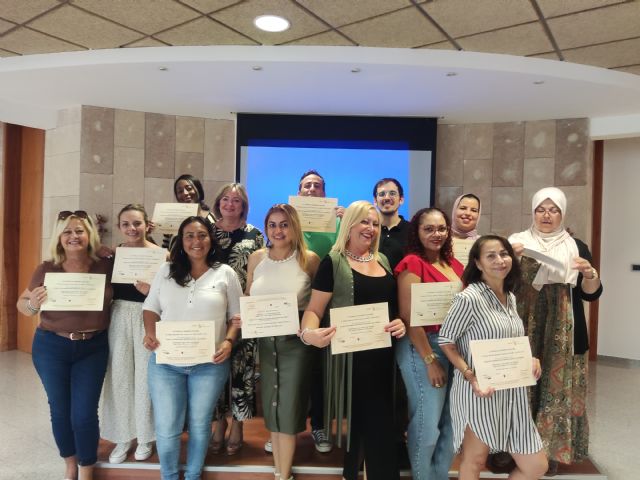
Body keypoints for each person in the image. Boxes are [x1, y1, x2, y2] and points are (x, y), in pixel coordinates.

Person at [299, 200, 406, 480]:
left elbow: (390, 307)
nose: (370, 228)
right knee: (376, 428)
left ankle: (351, 474)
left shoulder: (382, 260)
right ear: (349, 225)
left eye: (374, 223)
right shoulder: (333, 263)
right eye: (364, 222)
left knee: (365, 427)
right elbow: (313, 311)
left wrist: (400, 322)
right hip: (352, 362)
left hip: (384, 359)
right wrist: (309, 334)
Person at [509, 187, 602, 474]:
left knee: (555, 387)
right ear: (533, 211)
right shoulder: (516, 242)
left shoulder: (576, 246)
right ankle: (510, 448)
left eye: (553, 210)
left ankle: (548, 452)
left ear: (562, 213)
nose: (546, 215)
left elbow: (591, 294)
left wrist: (589, 274)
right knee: (516, 384)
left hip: (564, 330)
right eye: (541, 209)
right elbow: (499, 282)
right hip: (522, 324)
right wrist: (509, 259)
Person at [439, 235, 548, 480]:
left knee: (536, 465)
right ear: (477, 263)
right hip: (478, 391)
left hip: (512, 392)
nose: (500, 260)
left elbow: (509, 339)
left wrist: (529, 359)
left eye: (504, 253)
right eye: (491, 256)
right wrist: (470, 375)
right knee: (474, 461)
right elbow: (446, 340)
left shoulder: (509, 297)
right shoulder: (469, 298)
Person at [142, 216, 242, 480]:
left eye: (202, 235)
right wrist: (150, 333)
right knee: (167, 427)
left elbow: (237, 316)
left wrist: (229, 341)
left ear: (211, 239)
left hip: (209, 363)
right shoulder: (166, 271)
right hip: (165, 362)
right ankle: (170, 476)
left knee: (200, 424)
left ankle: (194, 474)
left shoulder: (226, 273)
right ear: (181, 240)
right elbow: (151, 307)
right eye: (189, 236)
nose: (196, 241)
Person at [17, 210, 113, 480]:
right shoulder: (47, 268)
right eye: (68, 231)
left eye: (80, 231)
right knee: (60, 410)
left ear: (89, 235)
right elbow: (22, 305)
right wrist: (34, 303)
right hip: (51, 347)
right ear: (59, 237)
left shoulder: (105, 265)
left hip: (92, 347)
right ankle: (70, 465)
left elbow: (134, 257)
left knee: (84, 413)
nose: (74, 236)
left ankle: (86, 469)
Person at [243, 204, 320, 480]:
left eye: (284, 224)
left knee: (288, 408)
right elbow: (248, 296)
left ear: (294, 226)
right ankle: (279, 469)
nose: (278, 230)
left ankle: (283, 474)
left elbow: (318, 305)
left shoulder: (308, 259)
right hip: (265, 341)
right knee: (273, 405)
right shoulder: (256, 258)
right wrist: (245, 317)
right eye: (273, 225)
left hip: (296, 343)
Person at [394, 207, 463, 480]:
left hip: (453, 346)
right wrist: (430, 360)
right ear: (417, 232)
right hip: (423, 346)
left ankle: (438, 476)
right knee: (427, 422)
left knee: (451, 423)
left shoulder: (455, 265)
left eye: (442, 229)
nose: (437, 234)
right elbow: (410, 317)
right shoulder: (412, 263)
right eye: (429, 229)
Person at [284, 169, 342, 454]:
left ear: (324, 193)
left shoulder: (337, 224)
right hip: (288, 310)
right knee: (291, 373)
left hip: (323, 309)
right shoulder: (285, 223)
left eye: (317, 186)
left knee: (321, 373)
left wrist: (344, 221)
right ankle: (283, 429)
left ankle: (319, 424)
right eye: (306, 185)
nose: (311, 189)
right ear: (298, 191)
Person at [100, 204, 160, 464]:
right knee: (120, 376)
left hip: (148, 316)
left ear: (147, 225)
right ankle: (123, 435)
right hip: (120, 317)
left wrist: (152, 292)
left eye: (137, 223)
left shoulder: (161, 255)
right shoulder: (115, 254)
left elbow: (168, 294)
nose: (132, 228)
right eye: (126, 224)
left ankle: (146, 436)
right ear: (119, 228)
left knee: (146, 378)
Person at [209, 182, 265, 456]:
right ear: (218, 202)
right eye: (226, 200)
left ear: (244, 206)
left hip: (243, 310)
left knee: (241, 371)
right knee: (215, 366)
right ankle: (218, 422)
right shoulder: (206, 231)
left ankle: (239, 424)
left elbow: (262, 271)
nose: (230, 204)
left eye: (237, 201)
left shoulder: (255, 234)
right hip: (212, 311)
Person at [161, 174, 214, 249]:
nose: (185, 193)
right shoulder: (171, 220)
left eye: (189, 188)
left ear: (198, 190)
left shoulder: (210, 218)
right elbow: (165, 248)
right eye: (180, 191)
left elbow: (216, 246)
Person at [373, 177, 410, 270]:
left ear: (401, 199)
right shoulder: (368, 231)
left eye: (392, 193)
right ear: (375, 201)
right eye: (382, 194)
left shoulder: (413, 230)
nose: (387, 198)